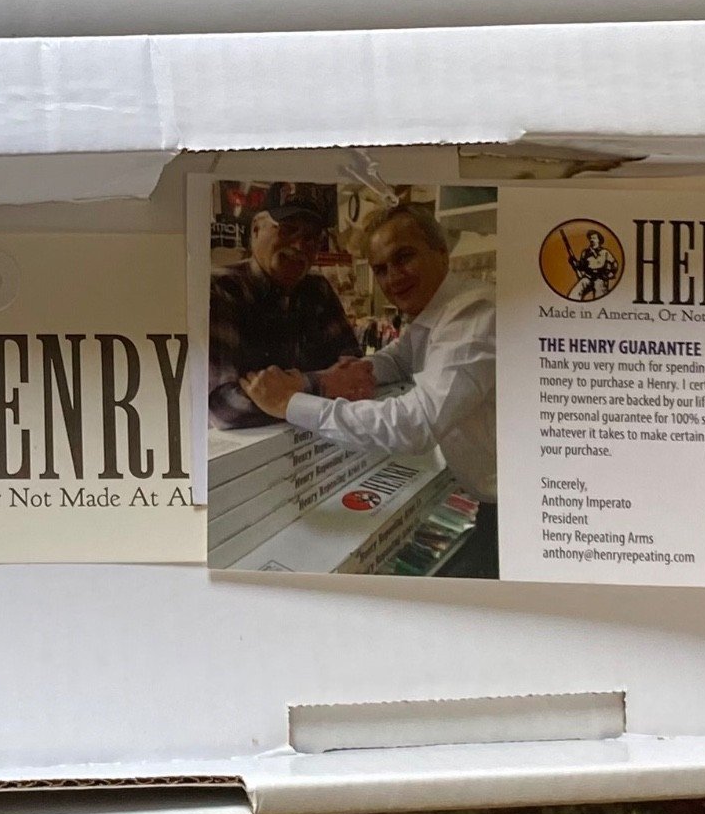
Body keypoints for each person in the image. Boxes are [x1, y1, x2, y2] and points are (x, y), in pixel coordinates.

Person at [241, 202, 497, 577]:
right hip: (494, 503)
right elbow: (397, 359)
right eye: (380, 269)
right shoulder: (434, 317)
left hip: (518, 510)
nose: (393, 277)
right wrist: (337, 377)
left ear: (441, 252)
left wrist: (292, 402)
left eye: (404, 257)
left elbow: (414, 424)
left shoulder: (472, 313)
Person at [207, 204, 361, 428]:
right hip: (255, 449)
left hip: (317, 441)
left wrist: (278, 394)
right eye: (287, 230)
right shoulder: (222, 289)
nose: (299, 246)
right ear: (256, 230)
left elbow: (356, 374)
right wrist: (322, 384)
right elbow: (221, 408)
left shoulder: (318, 290)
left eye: (310, 238)